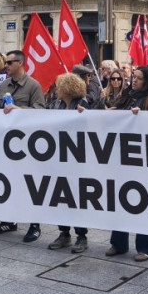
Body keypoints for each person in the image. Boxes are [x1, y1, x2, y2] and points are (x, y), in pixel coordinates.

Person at [0, 50, 46, 241]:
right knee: (8, 182)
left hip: (26, 144)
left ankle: (34, 224)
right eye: (6, 62)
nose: (6, 66)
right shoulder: (4, 84)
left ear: (20, 63)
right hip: (7, 144)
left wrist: (18, 110)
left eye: (10, 62)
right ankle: (9, 220)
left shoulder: (33, 85)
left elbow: (40, 111)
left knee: (29, 184)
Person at [108, 67, 148, 262]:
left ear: (147, 81)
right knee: (119, 199)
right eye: (133, 77)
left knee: (142, 201)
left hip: (141, 158)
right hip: (121, 155)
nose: (134, 81)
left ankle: (146, 246)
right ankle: (118, 243)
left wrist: (142, 117)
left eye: (138, 78)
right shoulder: (126, 97)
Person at [46, 73, 92, 254]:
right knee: (59, 196)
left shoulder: (84, 104)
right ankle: (64, 232)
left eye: (59, 86)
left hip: (76, 158)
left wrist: (85, 116)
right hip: (57, 156)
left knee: (76, 197)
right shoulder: (56, 105)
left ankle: (82, 235)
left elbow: (94, 126)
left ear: (67, 88)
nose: (57, 90)